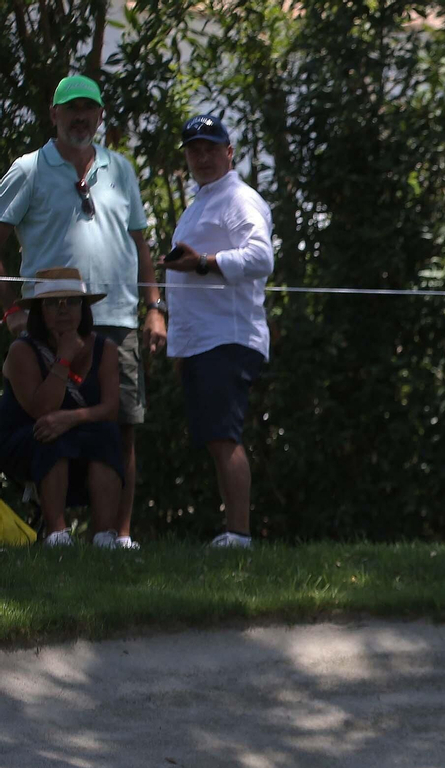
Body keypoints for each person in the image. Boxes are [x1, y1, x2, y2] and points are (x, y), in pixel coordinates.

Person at [0, 75, 165, 549]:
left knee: (122, 427)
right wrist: (11, 310)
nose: (80, 117)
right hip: (47, 324)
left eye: (88, 109)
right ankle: (53, 532)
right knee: (46, 423)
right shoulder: (29, 169)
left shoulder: (122, 170)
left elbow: (141, 243)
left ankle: (115, 537)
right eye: (70, 108)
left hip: (116, 317)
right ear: (53, 114)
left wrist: (154, 307)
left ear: (99, 116)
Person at [161, 114, 275, 548]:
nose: (202, 156)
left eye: (211, 147)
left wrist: (205, 263)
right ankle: (232, 532)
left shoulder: (239, 199)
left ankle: (239, 535)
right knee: (216, 438)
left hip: (227, 338)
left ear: (229, 152)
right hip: (201, 341)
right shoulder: (201, 202)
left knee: (224, 437)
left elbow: (261, 258)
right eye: (194, 149)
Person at [0, 268, 123, 546]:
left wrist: (71, 418)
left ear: (84, 308)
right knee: (51, 436)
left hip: (77, 430)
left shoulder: (106, 349)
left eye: (72, 301)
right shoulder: (23, 350)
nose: (63, 309)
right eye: (53, 303)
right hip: (26, 437)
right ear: (40, 311)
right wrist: (64, 358)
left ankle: (105, 536)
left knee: (108, 435)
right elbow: (42, 410)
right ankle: (57, 534)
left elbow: (111, 409)